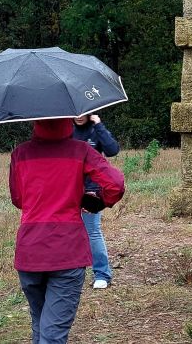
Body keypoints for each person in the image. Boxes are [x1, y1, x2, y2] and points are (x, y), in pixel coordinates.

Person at [10, 117, 125, 344]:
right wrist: (97, 201)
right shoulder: (80, 151)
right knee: (53, 333)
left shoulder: (20, 154)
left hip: (30, 250)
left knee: (40, 323)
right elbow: (116, 185)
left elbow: (18, 199)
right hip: (67, 251)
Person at [72, 112, 120, 289]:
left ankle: (102, 273)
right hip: (68, 189)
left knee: (92, 231)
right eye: (74, 112)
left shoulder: (95, 130)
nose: (78, 116)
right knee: (67, 231)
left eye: (82, 112)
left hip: (91, 191)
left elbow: (112, 150)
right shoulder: (65, 131)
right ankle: (70, 272)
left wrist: (99, 125)